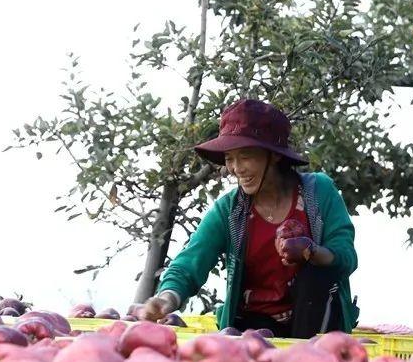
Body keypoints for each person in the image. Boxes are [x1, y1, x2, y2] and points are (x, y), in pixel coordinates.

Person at [137, 99, 359, 338]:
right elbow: (189, 262)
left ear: (273, 156)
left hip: (316, 327)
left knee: (315, 274)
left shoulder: (318, 193)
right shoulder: (230, 210)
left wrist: (310, 251)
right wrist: (166, 297)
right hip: (253, 328)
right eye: (230, 158)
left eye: (245, 156)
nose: (236, 168)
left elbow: (346, 256)